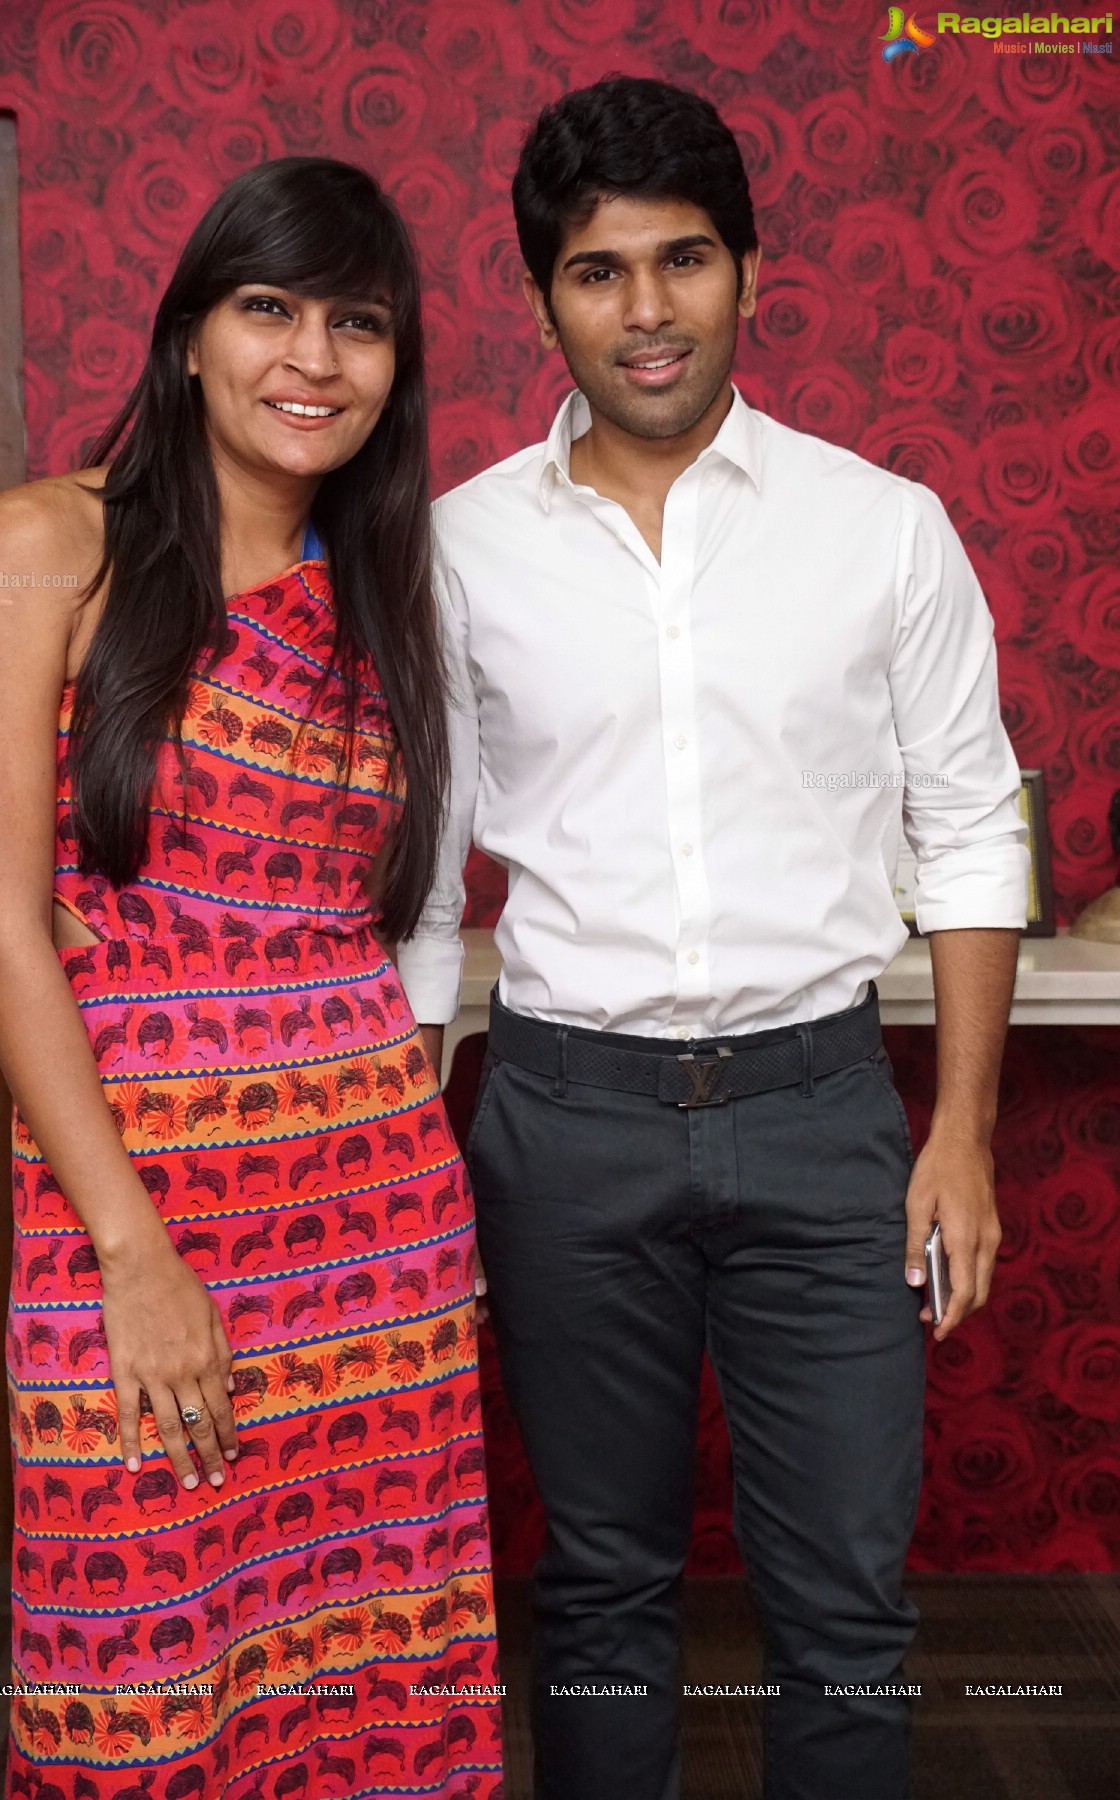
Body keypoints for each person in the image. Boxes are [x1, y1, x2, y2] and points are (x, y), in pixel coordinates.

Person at [396, 77, 1029, 1800]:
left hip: (826, 1121)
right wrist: (399, 1170)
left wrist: (958, 1133)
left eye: (685, 261)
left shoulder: (882, 528)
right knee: (598, 1595)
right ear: (544, 301)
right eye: (600, 274)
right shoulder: (454, 553)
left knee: (844, 1603)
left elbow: (973, 830)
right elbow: (421, 875)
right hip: (564, 1123)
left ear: (753, 271)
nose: (648, 310)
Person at [0, 156, 502, 1800]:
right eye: (271, 308)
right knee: (145, 1666)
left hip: (374, 1209)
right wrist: (132, 1251)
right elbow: (0, 929)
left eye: (359, 323)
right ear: (189, 333)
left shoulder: (387, 594)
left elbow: (392, 926)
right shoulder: (46, 543)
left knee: (368, 1645)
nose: (312, 358)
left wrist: (425, 1211)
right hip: (132, 1198)